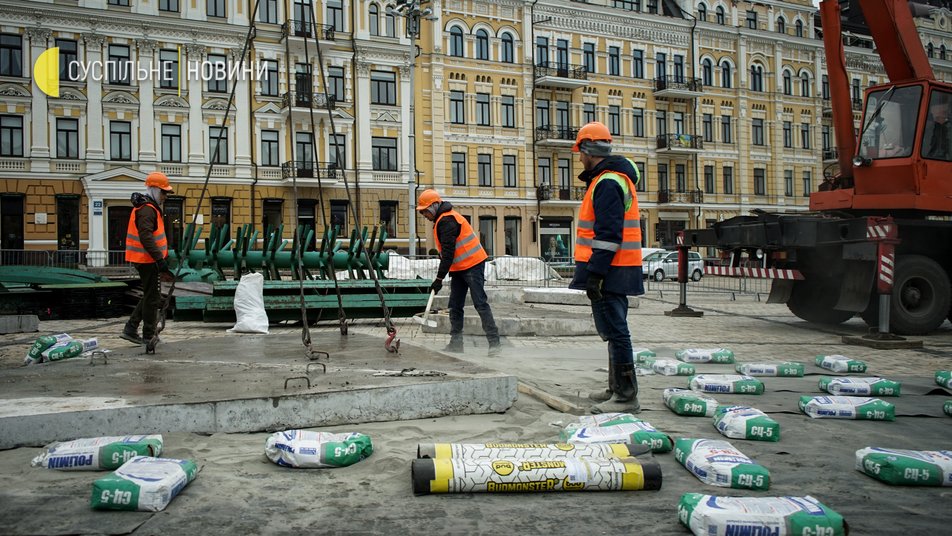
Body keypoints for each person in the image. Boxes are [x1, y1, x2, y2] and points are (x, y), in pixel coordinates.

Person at [568, 121, 645, 414]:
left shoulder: (608, 182)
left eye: (580, 151)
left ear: (588, 149)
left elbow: (608, 234)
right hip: (615, 267)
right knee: (613, 330)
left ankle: (626, 396)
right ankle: (617, 388)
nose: (579, 158)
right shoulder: (608, 179)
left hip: (611, 269)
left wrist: (596, 273)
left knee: (617, 330)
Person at [416, 189, 501, 356]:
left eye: (425, 211)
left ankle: (495, 343)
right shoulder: (442, 219)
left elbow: (448, 254)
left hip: (473, 265)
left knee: (480, 303)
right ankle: (456, 344)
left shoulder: (447, 221)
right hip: (459, 268)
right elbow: (448, 255)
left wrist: (439, 279)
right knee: (455, 306)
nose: (424, 215)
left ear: (434, 206)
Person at [121, 171, 175, 346]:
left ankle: (131, 327)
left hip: (147, 259)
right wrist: (159, 259)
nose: (165, 196)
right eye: (164, 192)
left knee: (150, 295)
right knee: (152, 298)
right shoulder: (147, 210)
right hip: (147, 260)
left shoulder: (148, 208)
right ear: (154, 190)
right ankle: (148, 335)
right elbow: (146, 236)